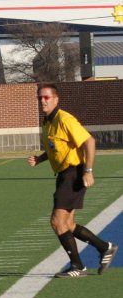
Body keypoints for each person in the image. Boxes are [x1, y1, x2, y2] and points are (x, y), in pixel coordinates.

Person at [27, 83, 117, 277]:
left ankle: (78, 266)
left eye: (46, 97)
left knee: (57, 222)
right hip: (64, 175)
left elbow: (89, 141)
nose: (42, 101)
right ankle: (104, 247)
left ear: (56, 99)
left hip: (73, 173)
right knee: (68, 224)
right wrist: (41, 159)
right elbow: (56, 147)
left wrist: (88, 170)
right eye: (40, 98)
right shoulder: (48, 121)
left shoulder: (64, 119)